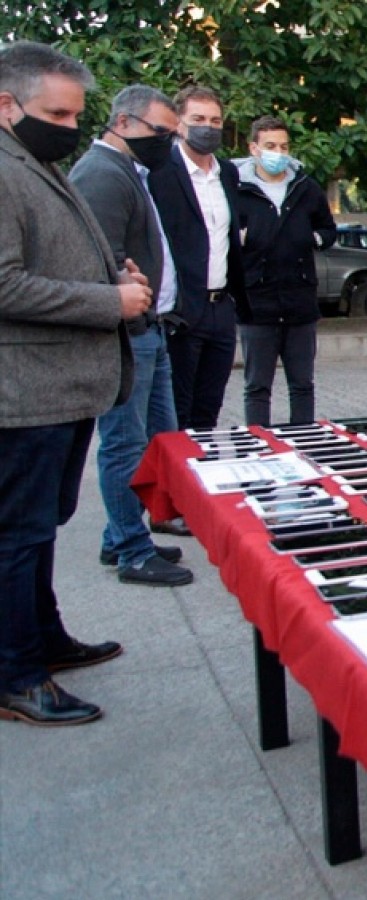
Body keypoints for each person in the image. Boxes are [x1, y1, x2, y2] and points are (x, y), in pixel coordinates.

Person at [0, 41, 144, 725]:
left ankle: (42, 638)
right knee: (18, 534)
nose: (69, 126)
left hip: (59, 390)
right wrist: (105, 304)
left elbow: (61, 256)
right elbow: (4, 283)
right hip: (24, 392)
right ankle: (16, 675)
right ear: (6, 105)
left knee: (40, 528)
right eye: (56, 112)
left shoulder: (34, 164)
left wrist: (116, 279)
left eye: (76, 113)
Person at [69, 84, 194, 587]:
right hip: (129, 333)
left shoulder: (128, 170)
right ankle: (130, 548)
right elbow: (103, 264)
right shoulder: (102, 174)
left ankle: (121, 534)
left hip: (149, 329)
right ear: (122, 123)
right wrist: (137, 319)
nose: (166, 142)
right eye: (159, 132)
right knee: (125, 443)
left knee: (153, 441)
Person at [149, 85, 244, 432]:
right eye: (199, 119)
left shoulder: (228, 174)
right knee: (177, 414)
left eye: (216, 120)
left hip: (221, 308)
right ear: (178, 124)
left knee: (209, 410)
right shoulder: (159, 173)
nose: (208, 127)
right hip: (181, 310)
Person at [233, 115, 336, 425]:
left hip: (300, 302)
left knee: (302, 385)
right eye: (270, 146)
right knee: (257, 387)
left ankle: (305, 446)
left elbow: (327, 229)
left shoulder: (306, 187)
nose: (278, 153)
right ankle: (259, 448)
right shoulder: (236, 187)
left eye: (284, 146)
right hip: (256, 303)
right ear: (254, 148)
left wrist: (312, 238)